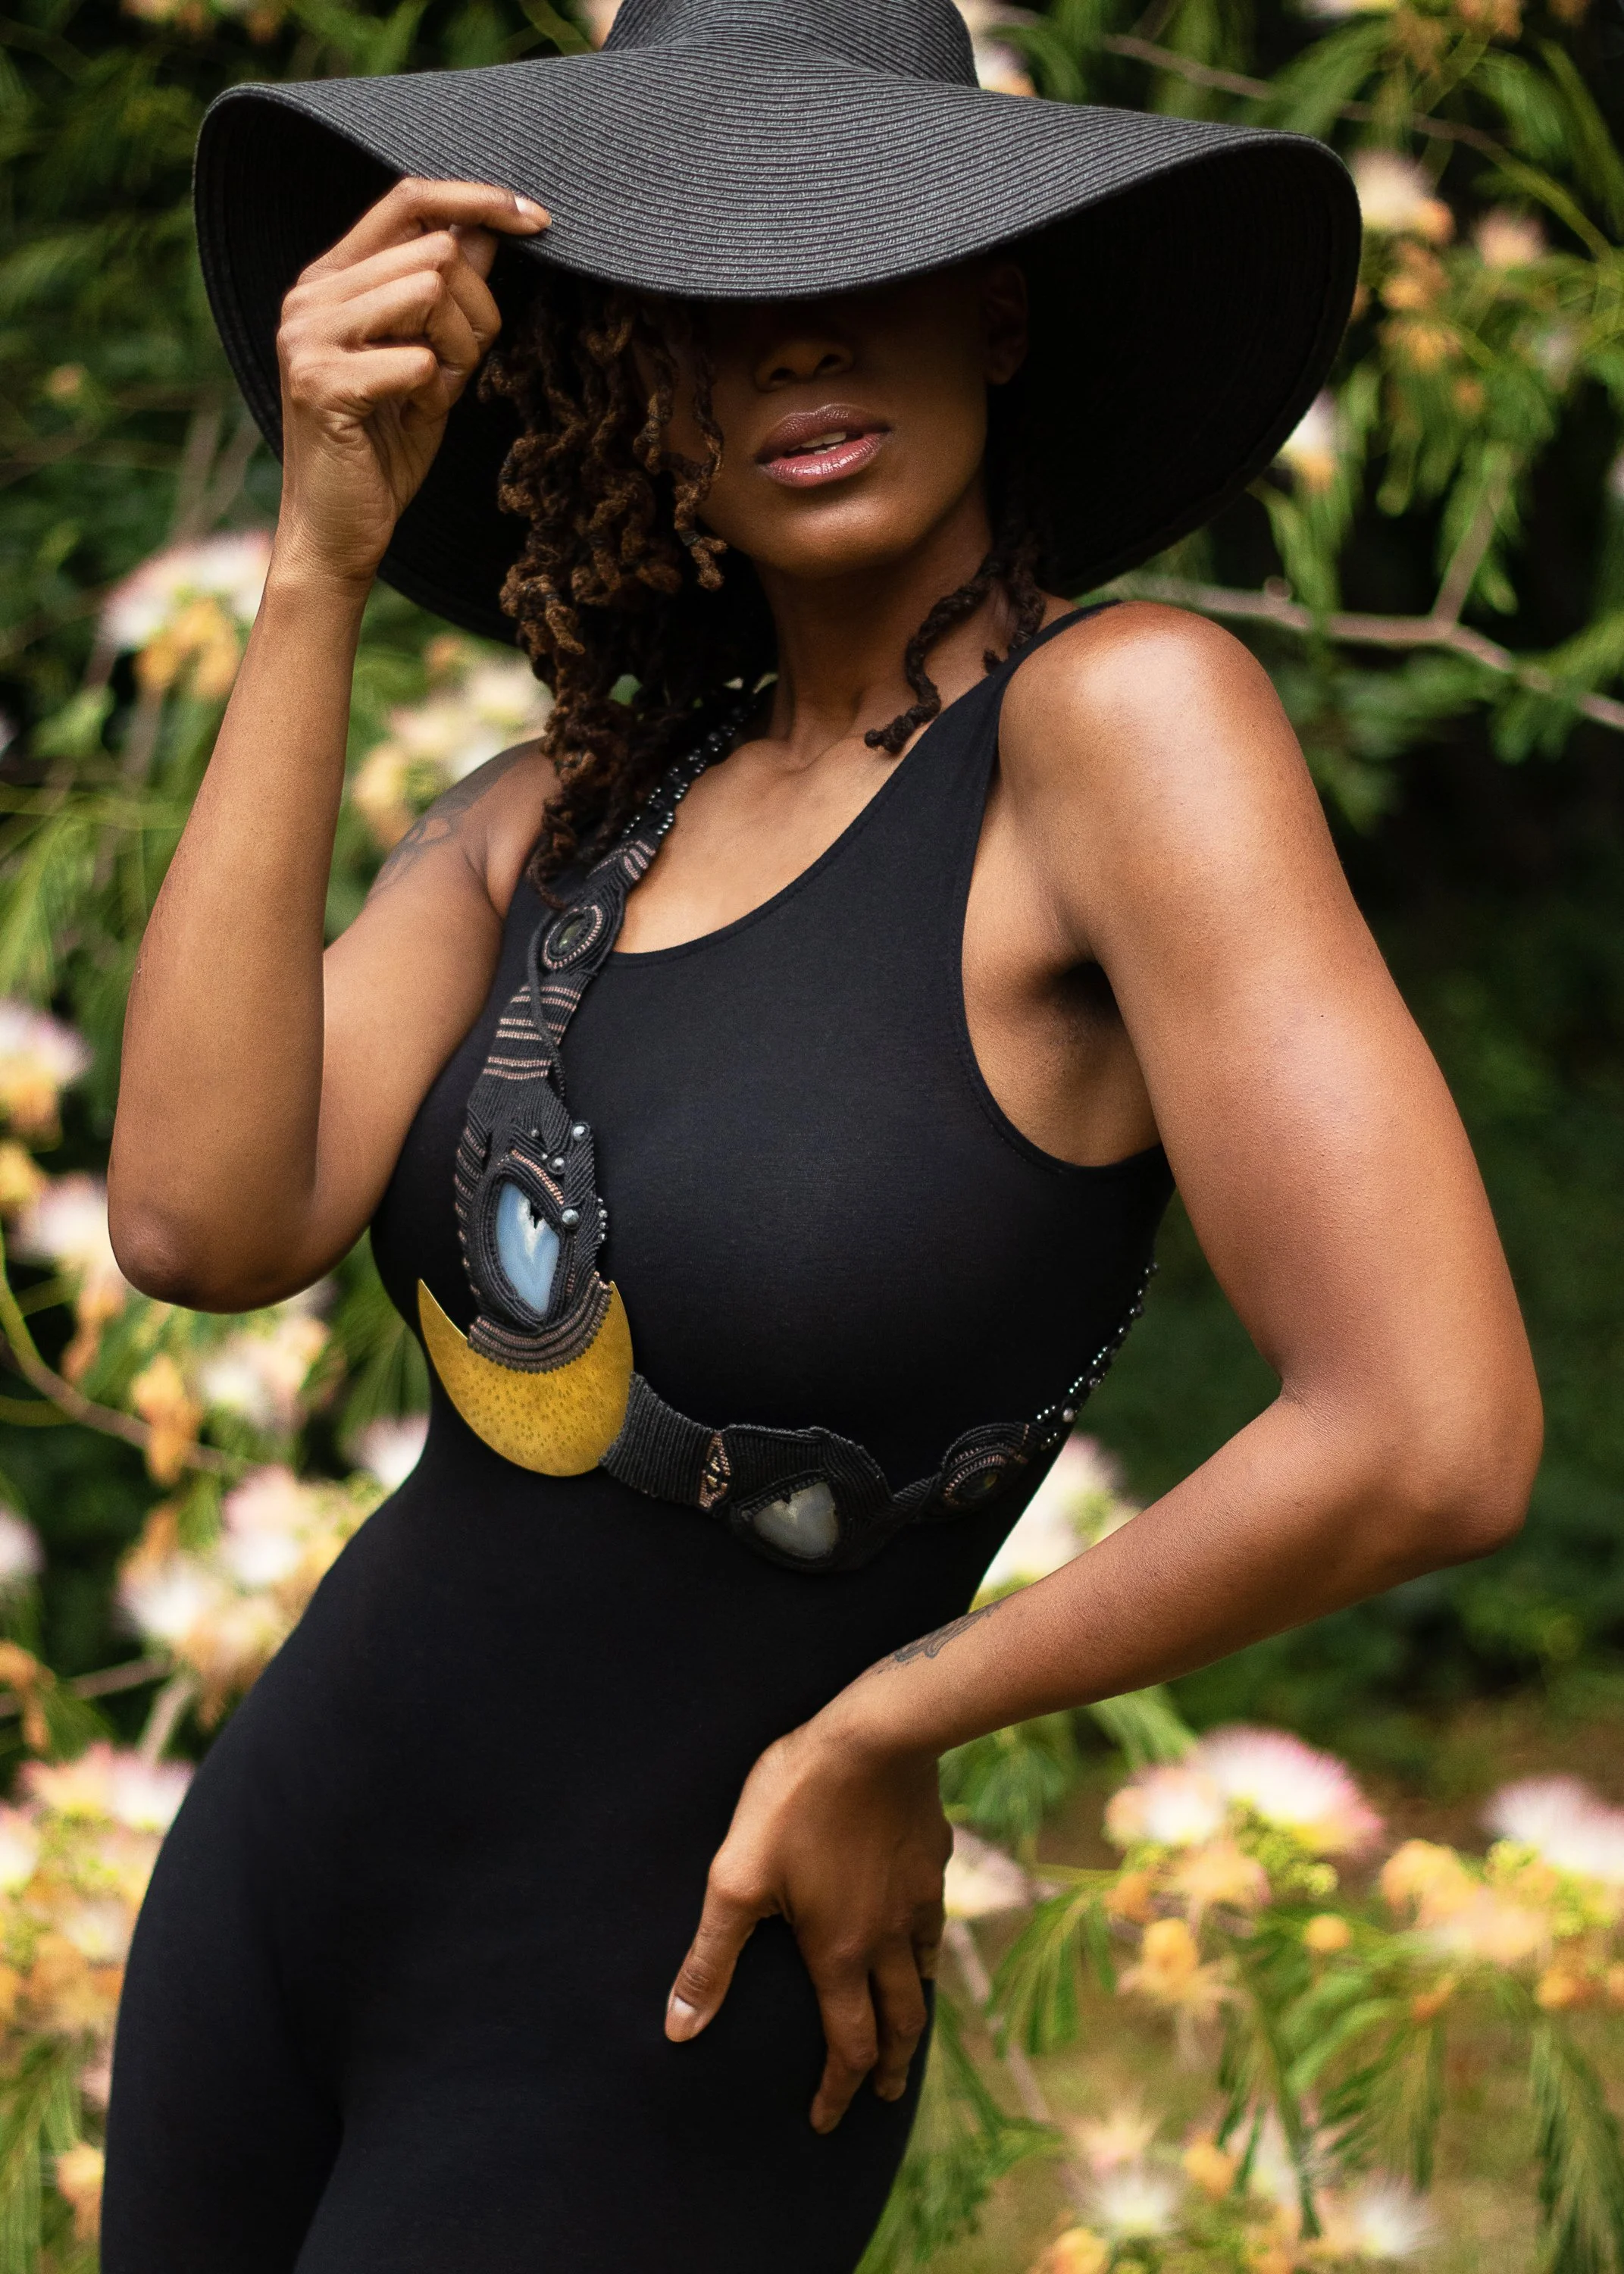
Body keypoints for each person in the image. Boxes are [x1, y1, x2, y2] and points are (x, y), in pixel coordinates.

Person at [100, 2, 1542, 2266]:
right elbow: (194, 1218)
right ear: (631, 372)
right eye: (716, 301)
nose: (797, 351)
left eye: (863, 264)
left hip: (673, 1981)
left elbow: (1431, 1431)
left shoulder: (1119, 739)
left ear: (998, 303)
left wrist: (893, 1721)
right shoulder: (556, 822)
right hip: (280, 1894)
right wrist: (316, 565)